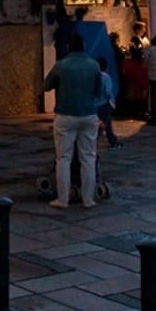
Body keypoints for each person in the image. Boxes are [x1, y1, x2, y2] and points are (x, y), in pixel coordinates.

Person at [43, 33, 102, 209]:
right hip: (89, 114)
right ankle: (88, 199)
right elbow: (98, 91)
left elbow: (46, 86)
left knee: (63, 157)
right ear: (84, 46)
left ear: (68, 47)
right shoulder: (94, 65)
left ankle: (63, 199)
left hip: (65, 115)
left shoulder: (61, 65)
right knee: (88, 157)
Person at [95, 57, 121, 148]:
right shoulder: (106, 77)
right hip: (103, 103)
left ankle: (112, 139)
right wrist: (111, 101)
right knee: (105, 123)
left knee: (106, 122)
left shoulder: (94, 75)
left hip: (94, 104)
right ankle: (110, 140)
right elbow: (108, 91)